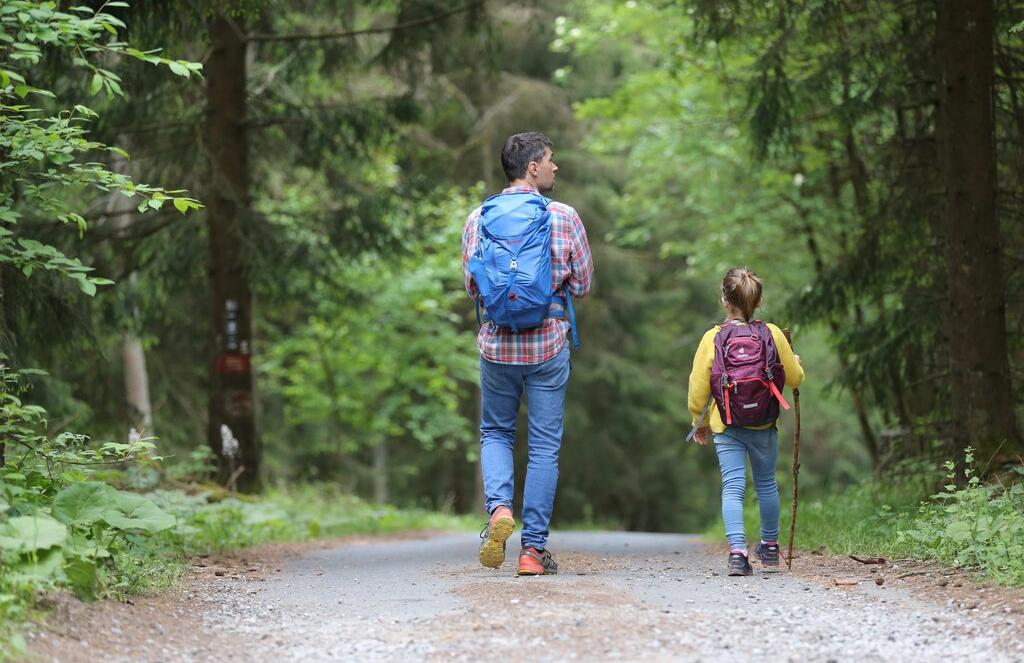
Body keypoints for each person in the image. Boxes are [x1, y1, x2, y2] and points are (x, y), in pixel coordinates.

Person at [461, 132, 594, 576]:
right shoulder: (563, 216)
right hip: (547, 344)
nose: (556, 167)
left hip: (497, 344)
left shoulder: (478, 218)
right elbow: (584, 284)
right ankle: (533, 552)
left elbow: (472, 286)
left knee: (496, 432)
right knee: (543, 447)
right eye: (551, 161)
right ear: (532, 168)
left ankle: (499, 509)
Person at [687, 267, 804, 576]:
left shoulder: (713, 337)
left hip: (727, 425)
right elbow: (794, 378)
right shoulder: (773, 334)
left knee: (733, 487)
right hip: (763, 424)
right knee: (766, 485)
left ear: (725, 300)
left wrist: (698, 422)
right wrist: (797, 364)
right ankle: (769, 548)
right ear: (759, 301)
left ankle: (738, 553)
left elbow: (698, 387)